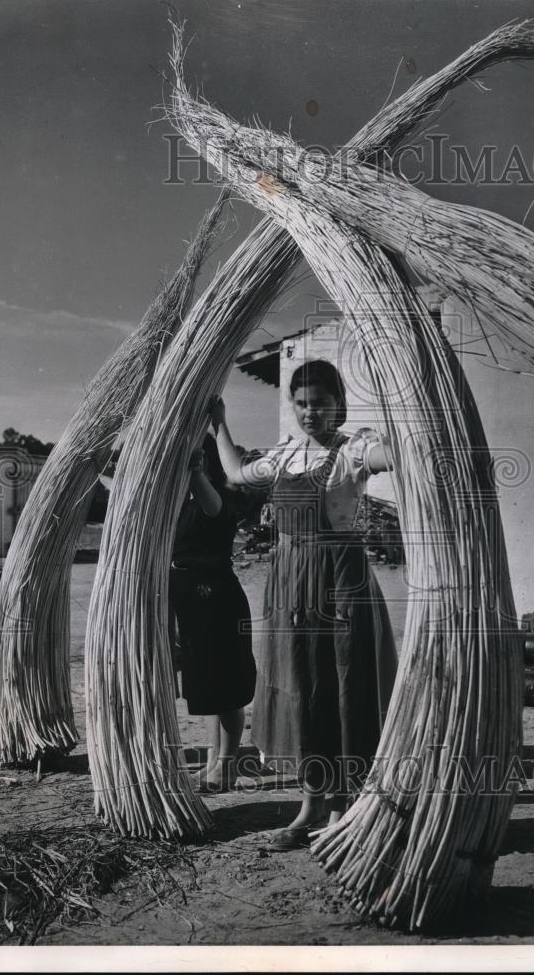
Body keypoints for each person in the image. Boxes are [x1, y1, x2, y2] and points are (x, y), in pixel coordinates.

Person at [209, 359, 399, 850]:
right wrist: (219, 423)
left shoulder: (353, 451)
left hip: (340, 579)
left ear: (338, 405)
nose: (310, 412)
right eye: (302, 404)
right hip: (290, 581)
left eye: (320, 403)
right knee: (300, 684)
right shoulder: (286, 454)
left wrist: (391, 419)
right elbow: (234, 474)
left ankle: (346, 806)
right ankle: (311, 806)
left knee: (344, 682)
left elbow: (396, 455)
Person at [168, 433, 256, 792]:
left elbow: (212, 507)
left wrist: (195, 471)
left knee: (226, 685)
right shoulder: (181, 503)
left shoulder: (215, 497)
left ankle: (228, 764)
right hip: (190, 598)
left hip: (216, 599)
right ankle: (211, 761)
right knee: (206, 686)